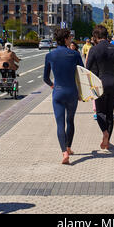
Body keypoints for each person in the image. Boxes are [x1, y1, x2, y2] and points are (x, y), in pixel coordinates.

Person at [43, 28, 84, 165]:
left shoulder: (50, 55)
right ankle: (69, 147)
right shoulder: (74, 54)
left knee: (60, 124)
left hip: (58, 92)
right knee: (70, 121)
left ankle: (64, 153)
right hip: (72, 92)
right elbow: (82, 74)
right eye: (70, 37)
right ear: (66, 39)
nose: (71, 39)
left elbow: (45, 78)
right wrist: (81, 92)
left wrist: (52, 85)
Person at [86, 25, 114, 150]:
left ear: (96, 37)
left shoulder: (94, 50)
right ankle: (107, 142)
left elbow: (87, 70)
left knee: (100, 112)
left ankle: (104, 133)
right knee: (110, 113)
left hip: (99, 84)